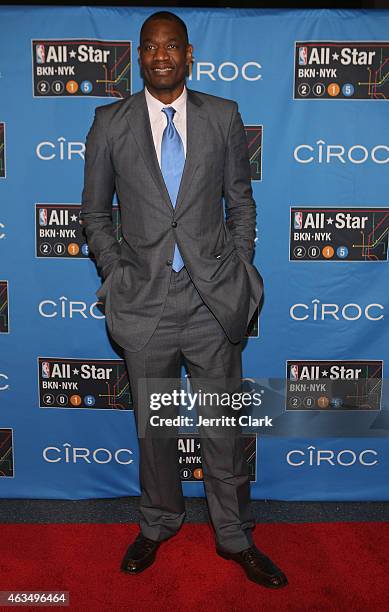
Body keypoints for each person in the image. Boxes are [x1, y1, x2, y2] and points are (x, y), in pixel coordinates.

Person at [81, 10, 287, 589]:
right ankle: (158, 523)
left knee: (222, 426)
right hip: (143, 300)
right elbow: (95, 214)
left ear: (189, 54)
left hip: (211, 299)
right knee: (156, 428)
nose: (161, 55)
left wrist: (239, 268)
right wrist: (117, 271)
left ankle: (235, 536)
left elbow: (240, 203)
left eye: (171, 46)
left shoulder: (222, 116)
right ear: (138, 56)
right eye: (150, 47)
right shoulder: (109, 122)